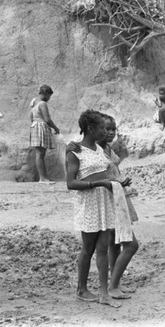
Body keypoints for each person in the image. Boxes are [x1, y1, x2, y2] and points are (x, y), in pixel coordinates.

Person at [67, 114, 140, 298]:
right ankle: (86, 288)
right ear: (91, 128)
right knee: (90, 248)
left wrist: (119, 184)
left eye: (110, 129)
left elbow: (108, 172)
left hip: (107, 200)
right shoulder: (78, 150)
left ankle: (107, 289)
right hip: (91, 204)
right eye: (102, 128)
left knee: (105, 246)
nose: (106, 132)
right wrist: (99, 184)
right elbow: (71, 181)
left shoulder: (101, 149)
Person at [29, 85, 60, 184]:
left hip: (34, 126)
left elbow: (31, 117)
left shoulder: (34, 102)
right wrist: (55, 128)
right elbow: (47, 119)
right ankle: (42, 178)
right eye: (49, 96)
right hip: (40, 126)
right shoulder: (42, 104)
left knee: (40, 153)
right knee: (40, 154)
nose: (49, 99)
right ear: (45, 93)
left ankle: (43, 177)